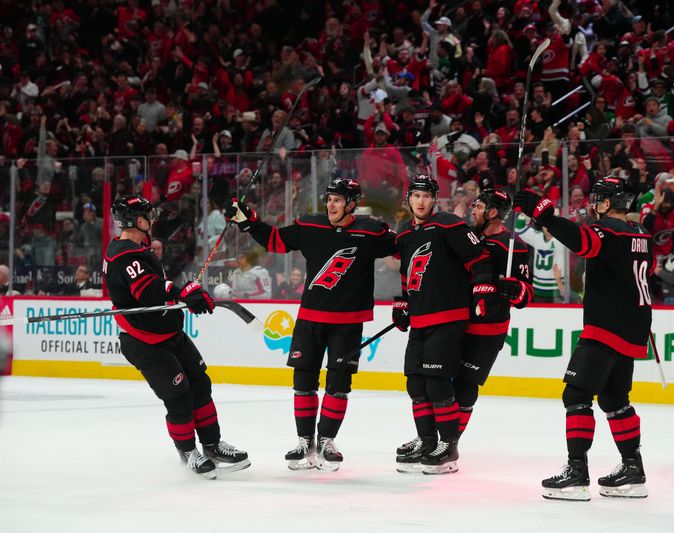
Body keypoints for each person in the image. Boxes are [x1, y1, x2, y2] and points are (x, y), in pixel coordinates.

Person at [224, 179, 396, 471]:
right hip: (310, 319)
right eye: (329, 199)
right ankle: (305, 439)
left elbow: (405, 250)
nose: (331, 205)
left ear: (352, 204)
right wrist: (248, 221)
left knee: (339, 384)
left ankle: (327, 439)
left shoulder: (371, 231)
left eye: (338, 200)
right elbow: (276, 241)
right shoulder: (310, 226)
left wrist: (408, 297)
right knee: (303, 383)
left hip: (348, 323)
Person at [514, 176, 653, 500]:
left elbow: (583, 242)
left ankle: (577, 473)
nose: (593, 205)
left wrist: (545, 216)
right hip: (633, 328)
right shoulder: (642, 234)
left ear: (606, 204)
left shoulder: (610, 231)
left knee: (575, 394)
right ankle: (633, 469)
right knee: (614, 400)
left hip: (607, 326)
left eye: (597, 200)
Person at [103, 195, 249, 480]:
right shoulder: (123, 254)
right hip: (145, 343)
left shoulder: (135, 249)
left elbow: (157, 288)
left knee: (200, 386)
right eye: (148, 215)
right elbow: (148, 290)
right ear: (138, 221)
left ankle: (212, 445)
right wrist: (179, 290)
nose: (153, 220)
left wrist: (185, 293)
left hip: (169, 333)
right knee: (179, 396)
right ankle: (187, 452)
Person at [393, 174, 493, 475]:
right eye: (416, 196)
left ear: (434, 199)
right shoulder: (405, 235)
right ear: (408, 199)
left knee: (437, 383)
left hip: (448, 317)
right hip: (421, 319)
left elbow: (481, 258)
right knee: (416, 382)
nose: (421, 201)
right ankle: (426, 441)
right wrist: (403, 303)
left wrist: (483, 286)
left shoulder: (449, 224)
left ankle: (448, 446)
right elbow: (408, 274)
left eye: (426, 196)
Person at [452, 189, 532, 442]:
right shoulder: (465, 238)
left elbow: (527, 294)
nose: (472, 211)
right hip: (454, 322)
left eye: (477, 207)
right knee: (437, 383)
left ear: (493, 212)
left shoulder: (514, 247)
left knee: (465, 387)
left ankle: (450, 441)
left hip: (487, 329)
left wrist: (515, 289)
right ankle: (430, 436)